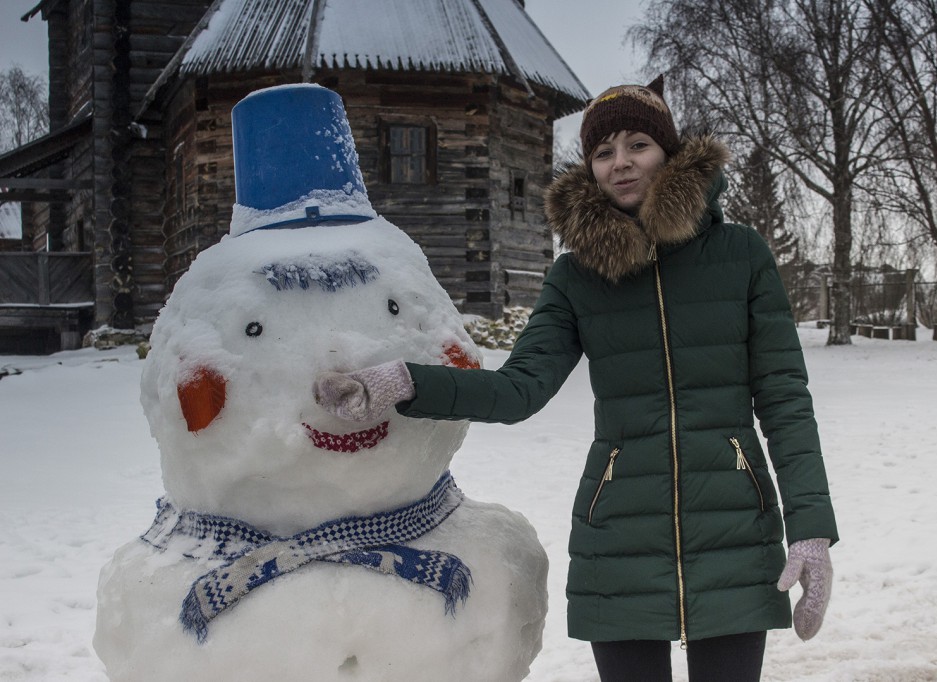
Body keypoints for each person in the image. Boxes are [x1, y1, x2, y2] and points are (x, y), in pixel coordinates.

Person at [313, 76, 839, 682]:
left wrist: (812, 530)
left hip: (734, 528)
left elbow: (784, 399)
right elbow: (519, 389)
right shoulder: (576, 276)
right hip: (616, 535)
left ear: (668, 151)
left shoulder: (741, 254)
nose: (620, 163)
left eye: (637, 144)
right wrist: (405, 382)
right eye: (602, 151)